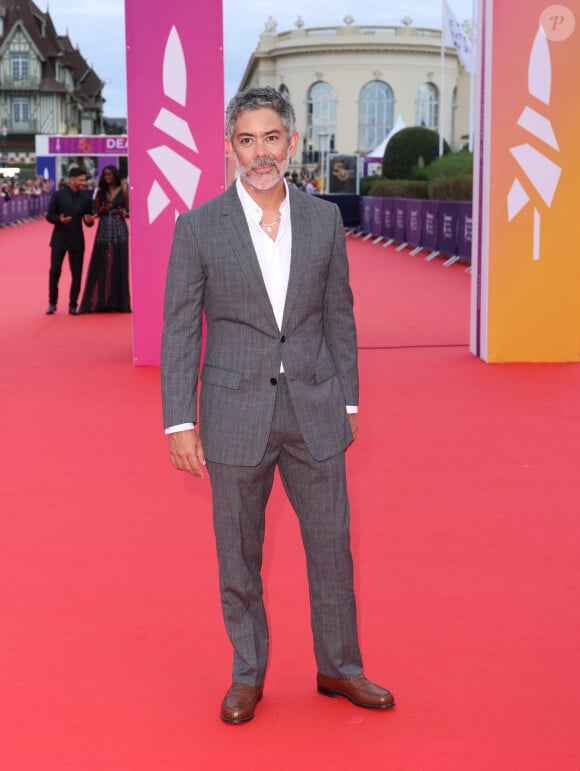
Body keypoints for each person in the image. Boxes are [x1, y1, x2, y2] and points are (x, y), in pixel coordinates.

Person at [161, 86, 395, 724]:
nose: (260, 152)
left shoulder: (322, 220)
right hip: (234, 412)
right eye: (247, 139)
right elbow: (180, 326)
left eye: (271, 138)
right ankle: (247, 673)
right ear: (230, 147)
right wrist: (179, 420)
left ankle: (340, 668)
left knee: (332, 546)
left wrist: (348, 399)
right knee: (237, 551)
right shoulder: (199, 226)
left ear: (291, 142)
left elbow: (340, 317)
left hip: (315, 405)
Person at [79, 165, 131, 313]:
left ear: (115, 175)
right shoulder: (100, 192)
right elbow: (95, 211)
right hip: (103, 230)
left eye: (110, 174)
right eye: (105, 175)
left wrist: (121, 212)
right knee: (102, 264)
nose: (108, 177)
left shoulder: (124, 191)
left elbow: (129, 212)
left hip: (119, 230)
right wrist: (101, 210)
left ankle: (118, 303)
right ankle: (101, 301)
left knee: (118, 264)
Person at [45, 166, 94, 315]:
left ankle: (73, 304)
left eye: (84, 180)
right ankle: (52, 303)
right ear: (71, 179)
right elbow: (49, 215)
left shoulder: (86, 198)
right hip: (59, 239)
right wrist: (59, 220)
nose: (83, 183)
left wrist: (89, 221)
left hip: (77, 240)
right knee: (55, 271)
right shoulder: (58, 195)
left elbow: (88, 221)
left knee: (77, 274)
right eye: (80, 180)